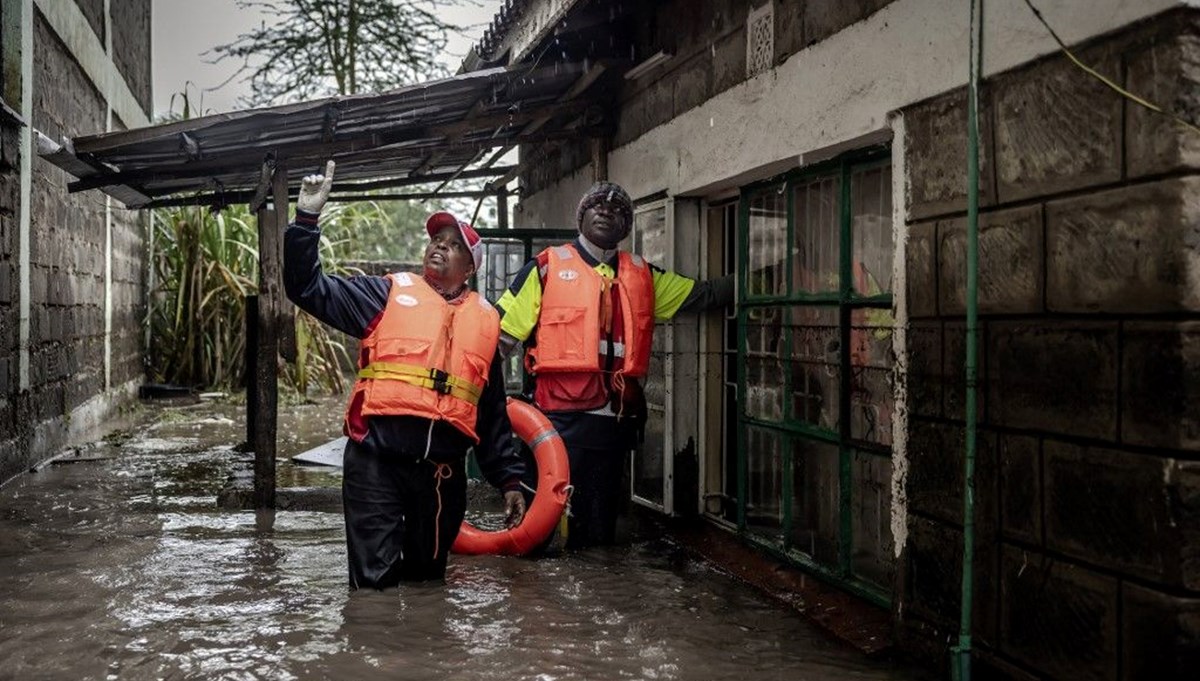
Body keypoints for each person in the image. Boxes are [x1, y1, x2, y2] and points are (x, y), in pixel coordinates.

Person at [284, 161, 526, 588]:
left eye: (453, 244)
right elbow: (307, 287)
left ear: (470, 267)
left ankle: (419, 654)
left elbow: (490, 412)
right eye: (436, 239)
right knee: (373, 587)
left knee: (427, 584)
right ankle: (373, 649)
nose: (440, 246)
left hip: (440, 476)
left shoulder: (486, 324)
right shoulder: (385, 294)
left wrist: (508, 479)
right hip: (376, 463)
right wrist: (306, 221)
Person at [495, 181, 733, 549]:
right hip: (554, 423)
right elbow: (499, 341)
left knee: (597, 537)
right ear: (582, 217)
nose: (607, 210)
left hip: (613, 428)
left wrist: (765, 279)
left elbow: (705, 295)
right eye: (597, 205)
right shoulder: (544, 270)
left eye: (618, 209)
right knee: (537, 537)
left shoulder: (645, 277)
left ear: (627, 227)